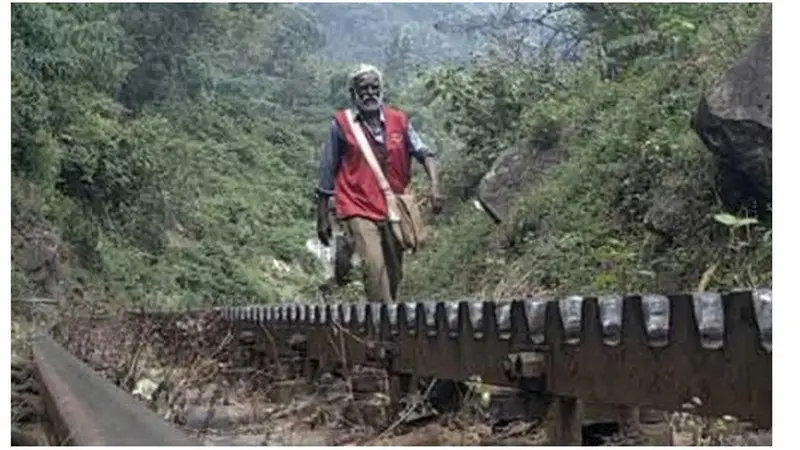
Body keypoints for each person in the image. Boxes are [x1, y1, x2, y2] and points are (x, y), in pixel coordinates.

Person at [315, 64, 443, 303]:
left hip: (392, 206)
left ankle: (387, 314)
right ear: (353, 94)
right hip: (357, 205)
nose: (370, 93)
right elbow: (327, 169)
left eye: (375, 87)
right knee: (374, 265)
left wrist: (435, 187)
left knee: (394, 270)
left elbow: (425, 154)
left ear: (382, 90)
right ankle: (384, 326)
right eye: (363, 89)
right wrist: (322, 215)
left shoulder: (399, 121)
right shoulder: (341, 125)